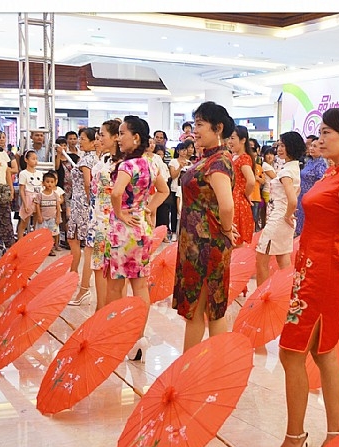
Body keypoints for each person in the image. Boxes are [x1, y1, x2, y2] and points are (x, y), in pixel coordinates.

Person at [263, 108, 339, 447]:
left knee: (291, 351)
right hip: (311, 269)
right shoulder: (338, 171)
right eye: (319, 132)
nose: (319, 139)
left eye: (327, 133)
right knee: (323, 352)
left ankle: (295, 438)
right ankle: (334, 435)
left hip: (322, 274)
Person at [171, 102, 236, 353]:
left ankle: (202, 364)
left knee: (209, 307)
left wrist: (227, 230)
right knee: (200, 307)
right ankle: (194, 364)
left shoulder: (219, 161)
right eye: (195, 124)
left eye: (200, 125)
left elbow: (226, 205)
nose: (194, 130)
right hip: (196, 243)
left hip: (207, 245)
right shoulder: (207, 158)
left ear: (217, 128)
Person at [105, 116, 169, 359]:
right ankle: (138, 338)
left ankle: (116, 336)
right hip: (141, 227)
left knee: (115, 286)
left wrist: (120, 213)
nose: (119, 138)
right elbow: (163, 190)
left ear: (136, 138)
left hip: (122, 231)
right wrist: (148, 209)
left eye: (122, 133)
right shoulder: (151, 164)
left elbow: (117, 193)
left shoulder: (127, 166)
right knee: (140, 286)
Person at [255, 132, 305, 285]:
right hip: (283, 218)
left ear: (292, 147)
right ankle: (287, 294)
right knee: (283, 260)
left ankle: (262, 294)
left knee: (261, 259)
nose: (279, 149)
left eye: (283, 145)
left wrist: (287, 215)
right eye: (279, 145)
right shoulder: (294, 168)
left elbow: (293, 200)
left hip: (279, 218)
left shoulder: (286, 171)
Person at [86, 119, 120, 311]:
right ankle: (101, 308)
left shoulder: (124, 164)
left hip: (114, 222)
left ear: (115, 137)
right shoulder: (104, 161)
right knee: (98, 266)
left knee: (115, 272)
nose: (98, 138)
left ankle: (111, 310)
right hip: (98, 220)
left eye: (102, 134)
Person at [67, 128, 96, 306]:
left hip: (81, 204)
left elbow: (87, 183)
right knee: (76, 240)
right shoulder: (90, 158)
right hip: (80, 202)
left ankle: (75, 278)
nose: (80, 141)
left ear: (92, 142)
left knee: (77, 240)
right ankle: (73, 276)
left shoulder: (87, 159)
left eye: (83, 139)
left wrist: (88, 202)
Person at [228, 125, 256, 245]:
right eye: (229, 138)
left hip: (237, 201)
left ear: (243, 140)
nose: (230, 141)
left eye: (233, 138)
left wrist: (245, 194)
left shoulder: (244, 158)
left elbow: (251, 180)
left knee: (234, 241)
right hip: (233, 198)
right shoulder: (235, 156)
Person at [295, 137, 327, 236]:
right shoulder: (309, 162)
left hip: (312, 198)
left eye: (315, 146)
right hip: (302, 196)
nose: (311, 148)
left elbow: (321, 183)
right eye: (311, 146)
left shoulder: (321, 164)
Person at [16, 150, 42, 240]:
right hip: (28, 197)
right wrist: (25, 203)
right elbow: (22, 189)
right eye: (33, 159)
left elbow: (41, 186)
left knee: (36, 223)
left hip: (38, 197)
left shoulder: (39, 173)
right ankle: (20, 241)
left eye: (36, 159)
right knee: (24, 222)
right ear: (26, 160)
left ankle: (35, 241)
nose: (35, 161)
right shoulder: (23, 173)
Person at [35, 171, 62, 256]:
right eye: (47, 182)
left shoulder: (55, 195)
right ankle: (42, 249)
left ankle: (50, 249)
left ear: (55, 183)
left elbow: (58, 207)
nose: (49, 184)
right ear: (43, 183)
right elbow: (37, 205)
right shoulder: (40, 195)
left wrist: (58, 217)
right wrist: (39, 216)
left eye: (52, 182)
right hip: (43, 219)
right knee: (42, 235)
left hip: (52, 219)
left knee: (52, 235)